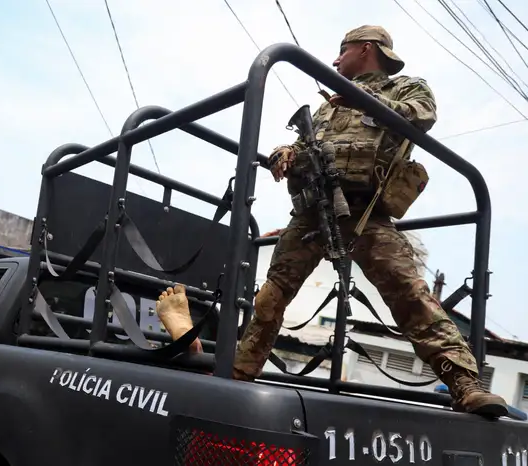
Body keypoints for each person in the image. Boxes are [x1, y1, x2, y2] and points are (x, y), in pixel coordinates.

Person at [156, 25, 508, 417]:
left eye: (342, 52)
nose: (336, 60)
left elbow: (421, 116)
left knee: (411, 298)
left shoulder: (405, 88)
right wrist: (286, 152)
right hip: (311, 212)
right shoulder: (328, 106)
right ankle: (238, 375)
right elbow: (306, 145)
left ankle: (465, 385)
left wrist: (361, 99)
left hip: (364, 215)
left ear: (366, 49)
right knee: (271, 296)